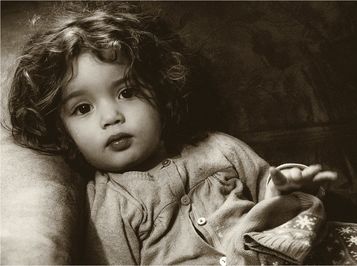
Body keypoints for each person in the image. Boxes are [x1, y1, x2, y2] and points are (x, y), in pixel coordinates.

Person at [7, 2, 337, 264]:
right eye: (82, 108)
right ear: (64, 132)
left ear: (162, 94)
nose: (111, 117)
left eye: (127, 92)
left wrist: (285, 182)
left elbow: (269, 191)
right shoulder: (108, 205)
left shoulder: (218, 148)